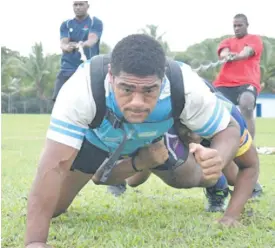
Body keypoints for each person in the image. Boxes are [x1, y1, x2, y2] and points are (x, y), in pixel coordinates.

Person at [25, 34, 243, 247]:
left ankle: (219, 185)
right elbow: (53, 166)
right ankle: (138, 166)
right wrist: (35, 242)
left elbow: (229, 128)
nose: (137, 102)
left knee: (191, 177)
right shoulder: (82, 89)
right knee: (53, 208)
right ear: (111, 76)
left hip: (154, 137)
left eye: (149, 90)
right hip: (100, 139)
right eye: (126, 89)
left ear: (163, 81)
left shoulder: (186, 85)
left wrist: (218, 160)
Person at [126, 83, 261, 216]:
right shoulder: (164, 115)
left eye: (197, 131)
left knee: (231, 176)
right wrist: (145, 159)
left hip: (215, 133)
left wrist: (232, 215)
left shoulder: (229, 117)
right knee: (133, 180)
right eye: (188, 132)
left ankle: (219, 187)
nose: (193, 136)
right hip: (173, 129)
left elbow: (250, 165)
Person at [213, 13, 263, 139]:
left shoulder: (254, 39)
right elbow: (224, 52)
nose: (236, 28)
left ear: (247, 25)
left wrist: (236, 56)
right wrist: (227, 55)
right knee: (212, 106)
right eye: (234, 26)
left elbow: (247, 52)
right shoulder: (227, 41)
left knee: (246, 104)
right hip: (224, 84)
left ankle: (249, 144)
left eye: (240, 25)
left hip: (247, 82)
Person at [52, 1, 103, 101]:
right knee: (57, 99)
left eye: (81, 4)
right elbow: (63, 43)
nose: (78, 7)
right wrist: (66, 47)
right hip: (68, 68)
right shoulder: (66, 24)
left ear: (87, 6)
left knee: (92, 100)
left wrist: (82, 44)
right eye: (75, 5)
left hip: (88, 68)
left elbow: (92, 40)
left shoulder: (94, 22)